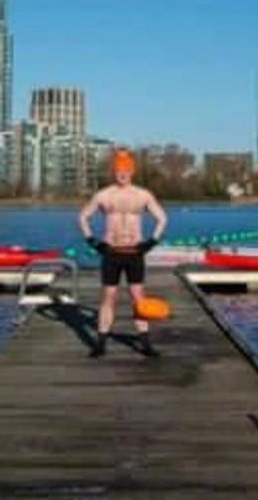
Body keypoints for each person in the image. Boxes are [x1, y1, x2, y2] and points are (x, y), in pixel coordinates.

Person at [78, 148, 168, 358]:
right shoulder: (104, 195)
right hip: (111, 252)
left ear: (132, 171)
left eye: (126, 170)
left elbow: (162, 218)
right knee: (108, 296)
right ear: (114, 172)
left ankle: (145, 343)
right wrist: (93, 242)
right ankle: (100, 343)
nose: (122, 173)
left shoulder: (142, 195)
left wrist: (151, 242)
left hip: (135, 252)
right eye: (119, 170)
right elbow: (82, 217)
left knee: (138, 297)